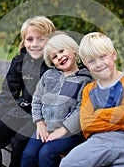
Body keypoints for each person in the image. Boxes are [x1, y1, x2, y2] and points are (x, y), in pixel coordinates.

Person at [60, 32, 124, 167]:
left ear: (113, 54)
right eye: (91, 61)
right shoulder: (89, 90)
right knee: (67, 163)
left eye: (102, 57)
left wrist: (97, 114)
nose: (98, 64)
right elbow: (86, 125)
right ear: (85, 63)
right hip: (98, 141)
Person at [0, 16, 56, 167]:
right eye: (30, 39)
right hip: (22, 109)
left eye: (41, 39)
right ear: (24, 41)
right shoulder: (20, 62)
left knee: (20, 142)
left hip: (43, 117)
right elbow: (8, 93)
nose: (34, 44)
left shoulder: (55, 64)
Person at [20, 32, 92, 167]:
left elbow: (80, 110)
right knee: (29, 154)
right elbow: (37, 100)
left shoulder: (84, 80)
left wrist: (63, 130)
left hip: (70, 133)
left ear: (73, 49)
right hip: (45, 128)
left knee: (46, 154)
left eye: (61, 51)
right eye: (54, 57)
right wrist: (40, 123)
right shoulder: (49, 76)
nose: (59, 57)